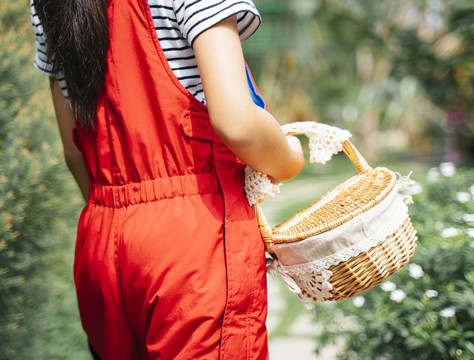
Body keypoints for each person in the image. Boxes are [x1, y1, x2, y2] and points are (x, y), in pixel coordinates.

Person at [30, 0, 304, 359]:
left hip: (101, 239)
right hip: (190, 240)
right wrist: (290, 159)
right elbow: (238, 122)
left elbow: (74, 151)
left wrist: (121, 215)